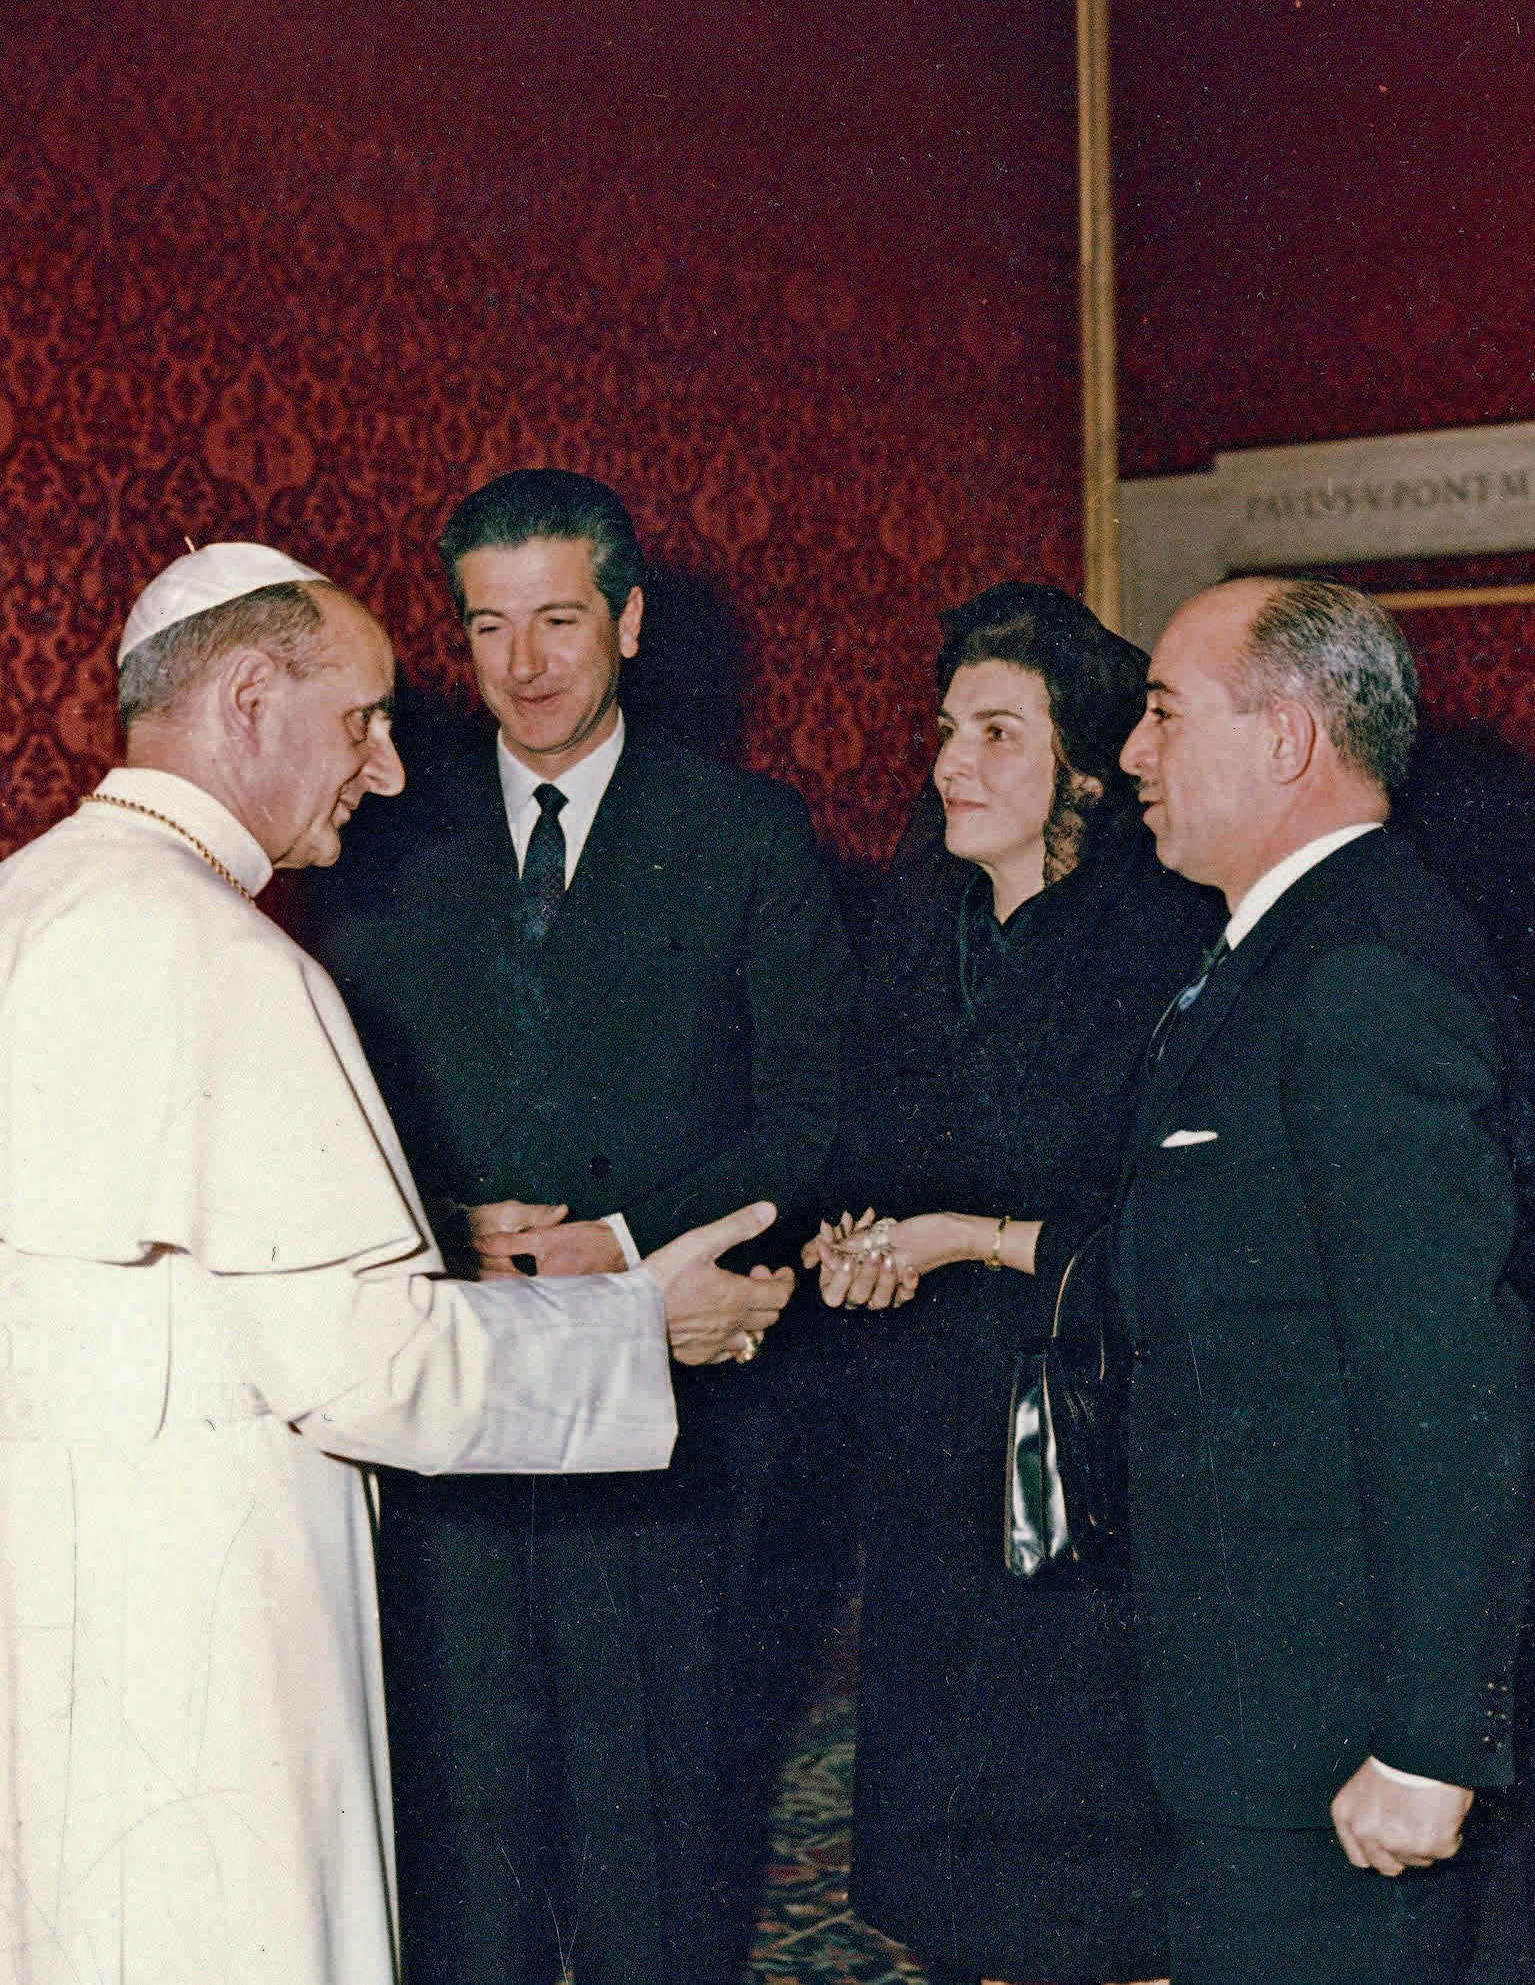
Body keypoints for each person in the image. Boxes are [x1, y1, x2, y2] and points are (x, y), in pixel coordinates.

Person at [0, 541, 793, 1985]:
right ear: (248, 698)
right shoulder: (230, 960)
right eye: (362, 719)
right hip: (208, 1638)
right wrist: (637, 1327)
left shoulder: (32, 900)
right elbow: (367, 1373)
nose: (390, 770)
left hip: (55, 1603)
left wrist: (426, 1231)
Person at [308, 470, 857, 1985]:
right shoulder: (389, 836)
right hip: (460, 1406)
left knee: (657, 1829)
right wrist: (443, 1228)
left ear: (626, 618)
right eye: (490, 626)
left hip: (668, 1424)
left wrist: (616, 1243)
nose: (527, 663)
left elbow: (812, 1110)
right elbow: (341, 1103)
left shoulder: (743, 832)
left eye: (559, 618)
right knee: (465, 1830)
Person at [1114, 573, 1535, 1984]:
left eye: (1166, 712)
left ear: (1288, 739)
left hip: (1337, 1740)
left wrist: (1428, 1738)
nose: (1131, 751)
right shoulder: (1275, 953)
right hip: (1257, 1707)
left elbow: (1445, 1375)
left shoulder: (1364, 972)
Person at [804, 583, 1219, 1984]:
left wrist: (958, 1237)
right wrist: (850, 1243)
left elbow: (1151, 1234)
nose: (949, 764)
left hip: (1085, 1444)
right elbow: (864, 1159)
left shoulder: (1159, 952)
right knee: (957, 1861)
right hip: (934, 1436)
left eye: (997, 733)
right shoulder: (919, 940)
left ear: (1084, 774)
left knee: (1084, 1851)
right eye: (944, 730)